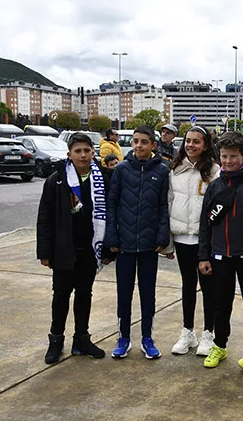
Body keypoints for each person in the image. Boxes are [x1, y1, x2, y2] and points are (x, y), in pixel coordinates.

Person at [196, 130, 243, 372]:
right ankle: (220, 345)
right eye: (224, 156)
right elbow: (204, 224)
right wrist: (203, 256)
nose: (228, 161)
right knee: (220, 303)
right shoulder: (215, 186)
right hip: (219, 257)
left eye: (233, 156)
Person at [36, 132, 109, 364]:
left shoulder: (102, 179)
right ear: (69, 154)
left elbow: (110, 215)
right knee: (60, 296)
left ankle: (82, 339)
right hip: (63, 249)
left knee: (84, 295)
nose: (83, 155)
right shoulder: (57, 180)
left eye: (87, 150)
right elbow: (45, 217)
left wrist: (106, 249)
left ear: (93, 153)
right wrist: (45, 252)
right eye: (78, 151)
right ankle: (56, 340)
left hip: (89, 249)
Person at [103, 126, 171, 360]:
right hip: (124, 245)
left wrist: (163, 236)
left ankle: (147, 338)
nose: (139, 145)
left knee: (147, 293)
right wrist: (111, 236)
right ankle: (123, 337)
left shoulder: (162, 171)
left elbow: (164, 206)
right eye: (135, 141)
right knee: (124, 293)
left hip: (149, 245)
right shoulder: (121, 169)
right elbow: (111, 205)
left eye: (144, 142)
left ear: (153, 145)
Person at [168, 125, 219, 359]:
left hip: (205, 240)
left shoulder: (214, 171)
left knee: (209, 288)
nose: (190, 145)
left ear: (205, 145)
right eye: (187, 141)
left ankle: (209, 333)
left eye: (196, 141)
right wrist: (168, 241)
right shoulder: (175, 169)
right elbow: (169, 202)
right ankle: (187, 332)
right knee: (187, 286)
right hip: (181, 237)